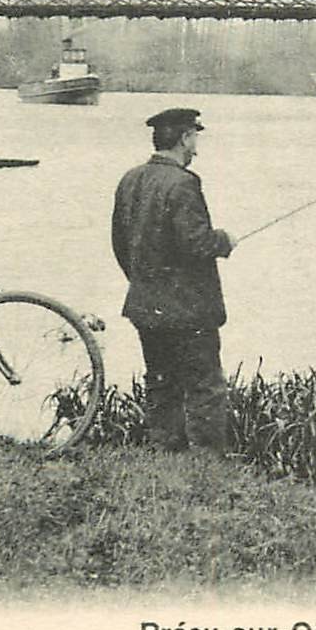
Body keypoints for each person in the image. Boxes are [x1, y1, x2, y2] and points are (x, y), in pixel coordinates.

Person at [112, 107, 235, 453]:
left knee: (160, 382)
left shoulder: (130, 179)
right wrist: (223, 240)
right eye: (194, 138)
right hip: (189, 311)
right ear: (183, 138)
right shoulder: (183, 183)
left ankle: (166, 454)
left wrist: (142, 282)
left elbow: (120, 243)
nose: (196, 148)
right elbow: (195, 243)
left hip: (146, 306)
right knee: (205, 386)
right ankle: (209, 462)